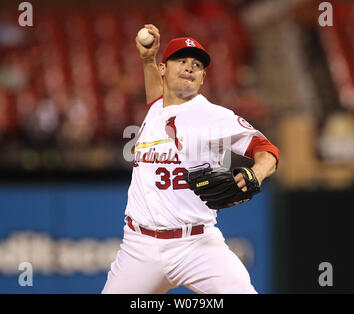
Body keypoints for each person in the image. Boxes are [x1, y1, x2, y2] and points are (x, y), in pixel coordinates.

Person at [102, 24, 279, 294]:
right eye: (181, 61)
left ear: (203, 77)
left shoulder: (213, 115)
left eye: (196, 64)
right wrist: (148, 59)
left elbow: (268, 150)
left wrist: (257, 172)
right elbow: (157, 99)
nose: (189, 67)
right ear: (164, 69)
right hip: (139, 246)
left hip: (196, 244)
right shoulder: (156, 109)